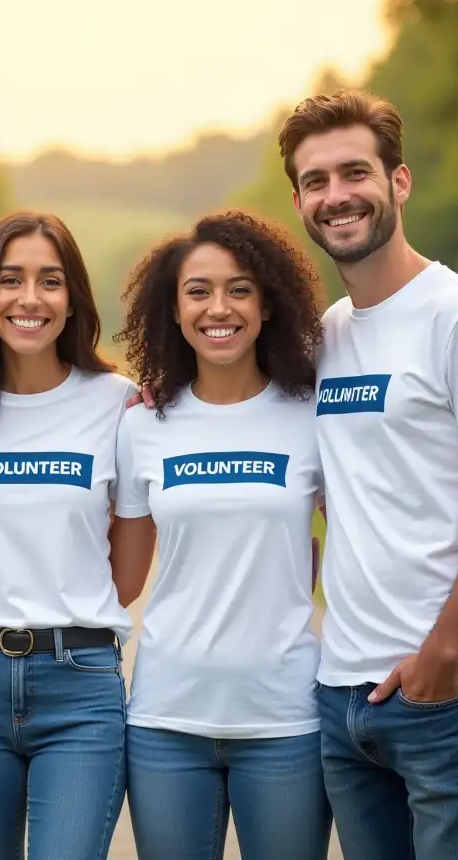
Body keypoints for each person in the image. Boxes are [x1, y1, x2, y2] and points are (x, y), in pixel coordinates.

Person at [280, 89, 458, 860]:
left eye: (354, 172)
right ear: (298, 201)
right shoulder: (327, 335)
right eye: (316, 181)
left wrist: (445, 651)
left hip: (449, 696)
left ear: (399, 181)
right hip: (343, 696)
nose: (337, 196)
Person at [111, 211, 333, 860]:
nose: (219, 307)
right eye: (198, 291)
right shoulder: (143, 425)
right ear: (173, 310)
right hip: (165, 720)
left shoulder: (312, 416)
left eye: (239, 289)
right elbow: (120, 580)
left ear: (269, 304)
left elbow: (371, 530)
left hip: (285, 718)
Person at [0, 212, 135, 860]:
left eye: (50, 280)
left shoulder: (117, 404)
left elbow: (123, 573)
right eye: (11, 279)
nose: (30, 298)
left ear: (73, 302)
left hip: (81, 687)